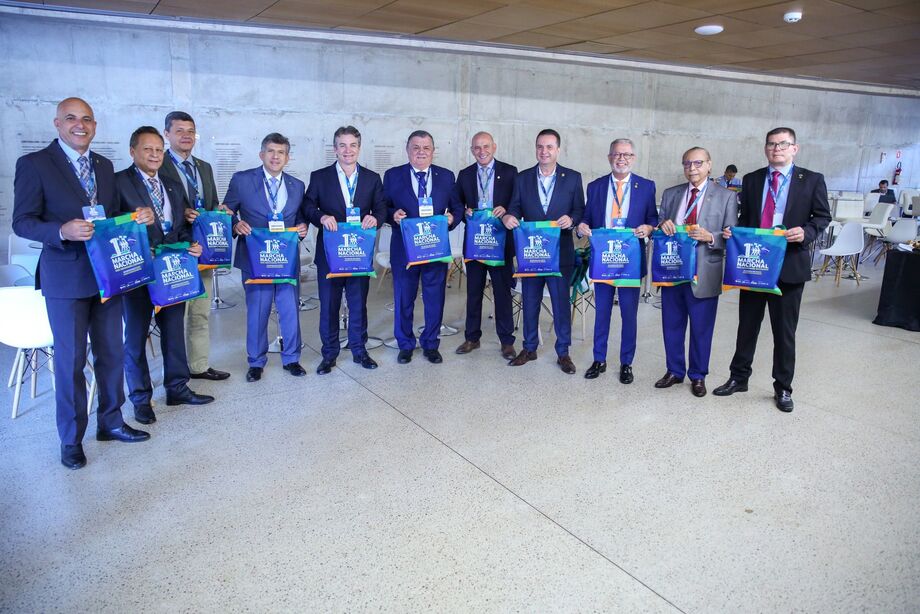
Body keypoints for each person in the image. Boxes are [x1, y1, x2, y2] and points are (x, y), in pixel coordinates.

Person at [12, 97, 152, 469]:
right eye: (72, 118)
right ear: (57, 123)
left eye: (87, 119)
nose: (80, 125)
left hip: (107, 275)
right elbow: (22, 221)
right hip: (65, 277)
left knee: (110, 355)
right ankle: (71, 438)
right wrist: (61, 229)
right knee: (71, 362)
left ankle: (111, 421)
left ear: (95, 126)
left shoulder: (104, 166)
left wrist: (133, 216)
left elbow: (108, 215)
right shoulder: (35, 164)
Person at [713, 127, 831, 412]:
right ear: (765, 149)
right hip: (754, 265)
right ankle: (739, 378)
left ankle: (783, 388)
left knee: (784, 331)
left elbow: (823, 216)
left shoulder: (812, 180)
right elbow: (745, 217)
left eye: (782, 144)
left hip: (789, 265)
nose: (776, 148)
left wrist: (806, 232)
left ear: (794, 148)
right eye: (771, 144)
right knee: (747, 326)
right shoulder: (752, 179)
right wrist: (733, 231)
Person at [115, 126, 215, 426]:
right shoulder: (118, 182)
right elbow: (106, 224)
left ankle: (177, 387)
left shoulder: (171, 183)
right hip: (138, 271)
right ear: (133, 152)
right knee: (136, 336)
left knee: (173, 331)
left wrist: (192, 244)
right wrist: (131, 219)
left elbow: (181, 226)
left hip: (172, 270)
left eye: (159, 150)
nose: (155, 155)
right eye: (148, 149)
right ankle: (141, 399)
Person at [224, 133, 309, 382]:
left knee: (289, 309)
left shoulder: (297, 185)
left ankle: (292, 358)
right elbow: (226, 211)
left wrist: (302, 228)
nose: (275, 156)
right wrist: (235, 224)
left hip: (285, 259)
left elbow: (299, 218)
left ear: (287, 157)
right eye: (271, 151)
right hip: (254, 258)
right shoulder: (242, 180)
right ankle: (256, 362)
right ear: (262, 154)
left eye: (280, 152)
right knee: (258, 311)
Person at [654, 147, 737, 397]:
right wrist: (662, 224)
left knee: (701, 328)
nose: (692, 168)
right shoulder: (671, 194)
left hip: (704, 272)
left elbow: (732, 237)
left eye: (698, 163)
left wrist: (711, 237)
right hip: (672, 271)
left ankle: (698, 375)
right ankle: (674, 371)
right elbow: (660, 226)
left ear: (709, 165)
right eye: (687, 163)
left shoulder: (726, 197)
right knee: (671, 325)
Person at [303, 126, 386, 374]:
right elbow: (308, 206)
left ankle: (359, 350)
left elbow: (381, 207)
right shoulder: (320, 177)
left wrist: (376, 219)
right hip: (330, 253)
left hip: (358, 253)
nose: (347, 150)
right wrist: (321, 216)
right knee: (329, 303)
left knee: (358, 302)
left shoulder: (372, 178)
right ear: (335, 148)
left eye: (352, 145)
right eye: (342, 145)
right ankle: (329, 354)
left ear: (359, 148)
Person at [504, 129, 584, 374]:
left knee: (561, 304)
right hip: (532, 253)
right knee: (530, 302)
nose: (544, 151)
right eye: (540, 146)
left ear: (558, 150)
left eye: (549, 147)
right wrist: (509, 217)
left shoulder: (572, 177)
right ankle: (529, 348)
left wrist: (571, 219)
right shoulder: (523, 177)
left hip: (561, 253)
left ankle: (563, 352)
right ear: (535, 148)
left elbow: (580, 210)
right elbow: (514, 207)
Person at [577, 138, 657, 384]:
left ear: (633, 158)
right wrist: (581, 227)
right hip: (604, 260)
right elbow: (586, 218)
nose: (621, 159)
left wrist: (649, 227)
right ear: (609, 157)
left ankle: (626, 363)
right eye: (617, 155)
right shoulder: (596, 186)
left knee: (629, 315)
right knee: (601, 313)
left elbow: (653, 218)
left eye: (627, 155)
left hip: (630, 261)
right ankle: (598, 358)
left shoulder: (646, 186)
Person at [160, 110, 231, 382]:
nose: (186, 136)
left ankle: (199, 366)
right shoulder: (159, 164)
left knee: (200, 313)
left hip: (203, 251)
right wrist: (182, 214)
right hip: (174, 251)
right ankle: (176, 375)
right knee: (174, 317)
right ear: (167, 134)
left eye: (190, 131)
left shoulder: (204, 167)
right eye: (179, 131)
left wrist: (218, 210)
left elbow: (210, 203)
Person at [383, 130, 463, 365]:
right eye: (416, 147)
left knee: (434, 296)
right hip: (404, 247)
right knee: (403, 297)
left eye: (426, 147)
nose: (421, 152)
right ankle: (405, 344)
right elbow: (382, 206)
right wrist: (392, 214)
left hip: (435, 247)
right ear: (407, 150)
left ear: (433, 151)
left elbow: (457, 207)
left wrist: (452, 219)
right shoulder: (392, 175)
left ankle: (430, 343)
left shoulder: (446, 177)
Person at [454, 131, 518, 360]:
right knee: (473, 292)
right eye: (477, 148)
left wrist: (507, 209)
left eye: (486, 146)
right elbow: (456, 203)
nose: (482, 151)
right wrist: (464, 211)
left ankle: (507, 341)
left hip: (500, 244)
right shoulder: (464, 174)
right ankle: (472, 338)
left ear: (494, 147)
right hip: (475, 243)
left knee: (502, 293)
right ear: (472, 150)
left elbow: (517, 202)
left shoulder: (510, 172)